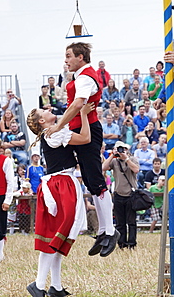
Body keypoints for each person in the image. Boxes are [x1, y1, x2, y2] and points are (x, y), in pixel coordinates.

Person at [45, 42, 118, 260]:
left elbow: (78, 104)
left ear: (80, 57)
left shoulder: (86, 77)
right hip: (81, 127)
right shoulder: (81, 75)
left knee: (95, 180)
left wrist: (59, 125)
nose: (65, 60)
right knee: (90, 180)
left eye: (68, 56)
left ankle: (110, 231)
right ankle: (105, 230)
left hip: (87, 128)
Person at [26, 102, 95, 297]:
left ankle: (54, 286)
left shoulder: (52, 132)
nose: (49, 111)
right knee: (56, 235)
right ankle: (39, 285)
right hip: (60, 184)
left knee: (59, 236)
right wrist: (82, 114)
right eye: (45, 111)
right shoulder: (53, 133)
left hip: (60, 182)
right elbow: (85, 138)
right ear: (42, 120)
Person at [102, 141, 139, 249]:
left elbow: (136, 170)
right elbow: (103, 168)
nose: (121, 151)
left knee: (131, 222)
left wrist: (126, 158)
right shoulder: (114, 161)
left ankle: (131, 243)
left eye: (122, 149)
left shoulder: (132, 159)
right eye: (119, 149)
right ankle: (121, 243)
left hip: (130, 195)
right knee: (120, 222)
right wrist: (112, 155)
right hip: (118, 194)